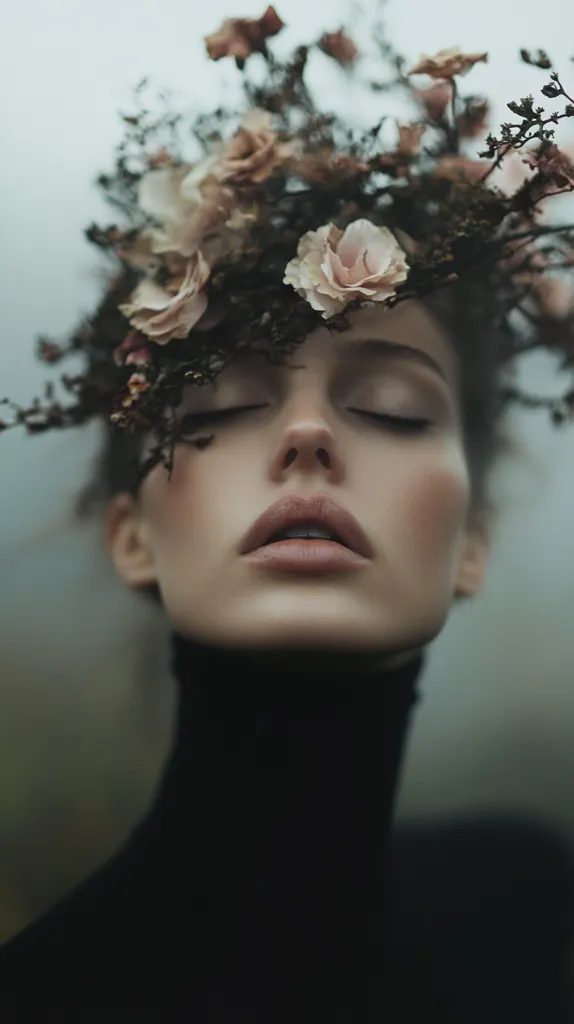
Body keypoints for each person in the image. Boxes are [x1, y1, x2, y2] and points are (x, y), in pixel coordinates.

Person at [1, 6, 573, 1019]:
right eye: (219, 404)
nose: (307, 436)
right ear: (132, 533)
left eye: (391, 410)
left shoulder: (531, 906)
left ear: (471, 539)